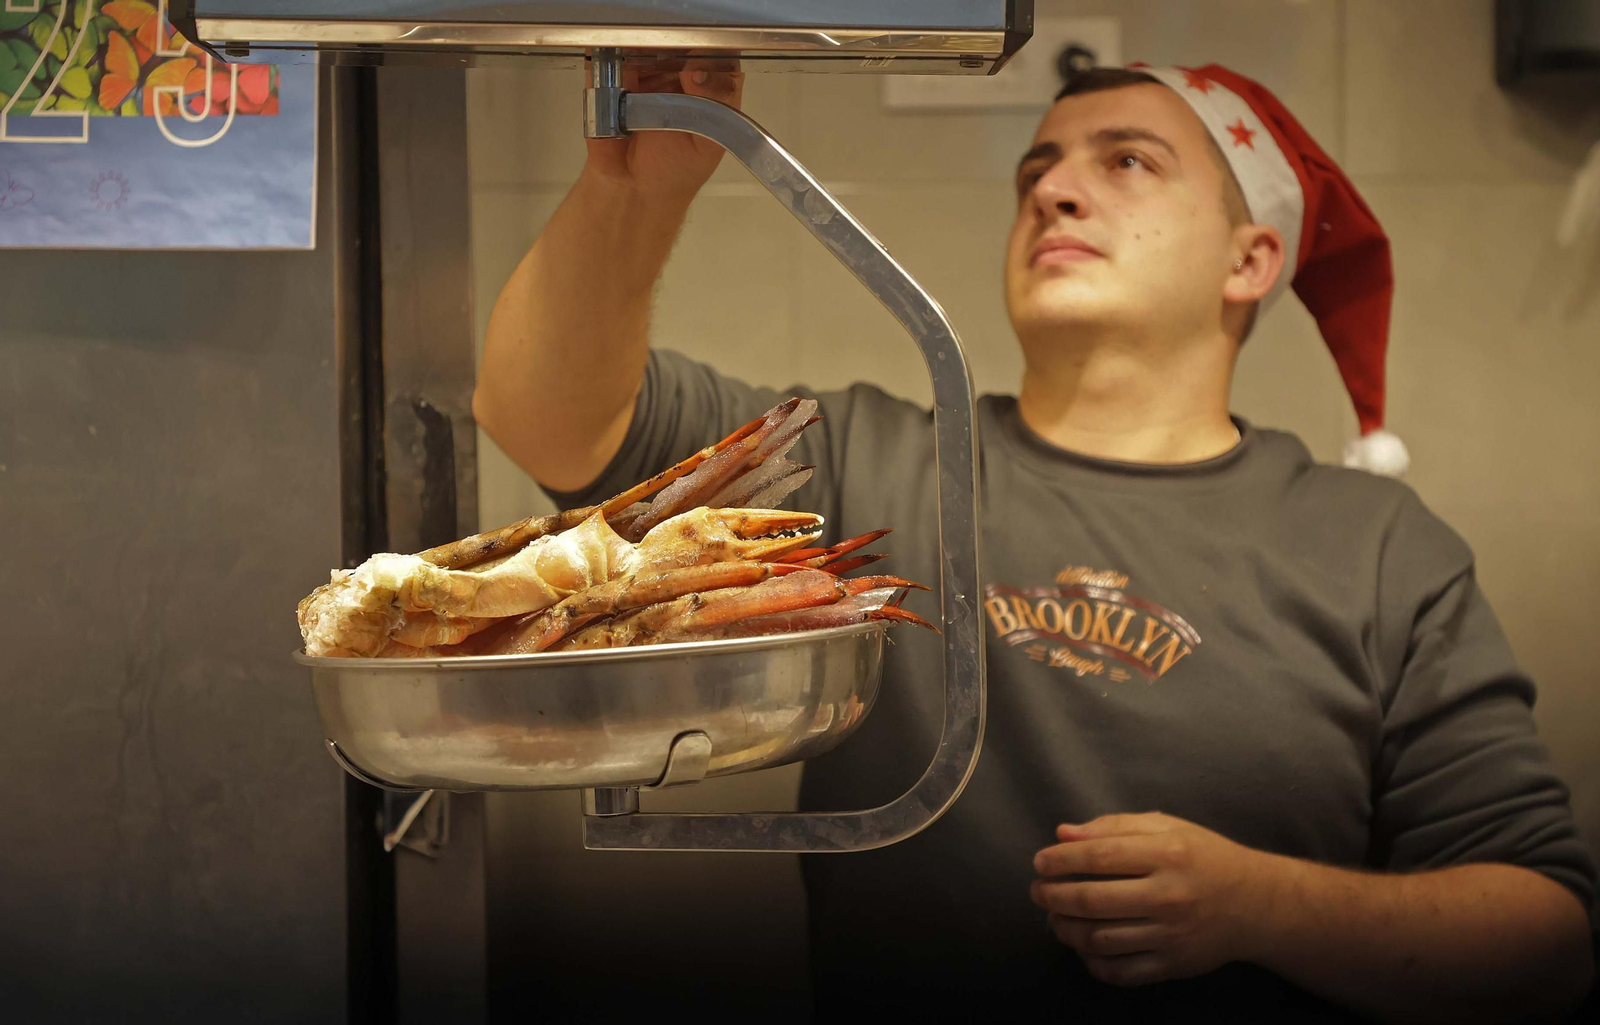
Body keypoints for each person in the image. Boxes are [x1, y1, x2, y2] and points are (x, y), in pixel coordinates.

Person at [474, 59, 1596, 1021]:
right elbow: (548, 416)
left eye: (1126, 163)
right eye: (1037, 171)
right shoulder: (868, 460)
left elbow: (1542, 934)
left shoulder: (1374, 546)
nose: (1053, 189)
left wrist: (1261, 906)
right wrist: (634, 189)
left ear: (1250, 260)